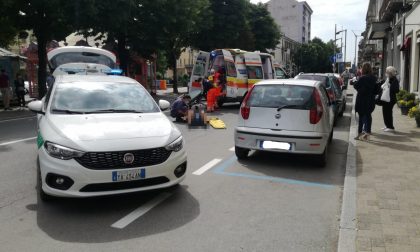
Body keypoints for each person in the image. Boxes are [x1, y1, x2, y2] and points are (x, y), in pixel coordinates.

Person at [354, 63, 377, 141]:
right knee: (368, 116)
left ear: (363, 69)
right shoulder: (374, 78)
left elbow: (356, 86)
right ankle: (367, 133)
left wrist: (354, 82)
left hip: (362, 100)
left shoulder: (362, 78)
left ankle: (360, 133)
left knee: (361, 117)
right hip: (371, 100)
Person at [381, 66, 400, 132]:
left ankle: (391, 127)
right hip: (386, 98)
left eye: (387, 71)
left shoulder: (395, 80)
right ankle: (387, 125)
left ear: (390, 73)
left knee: (388, 113)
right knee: (385, 112)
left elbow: (397, 90)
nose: (386, 73)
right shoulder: (388, 79)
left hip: (390, 99)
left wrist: (390, 87)